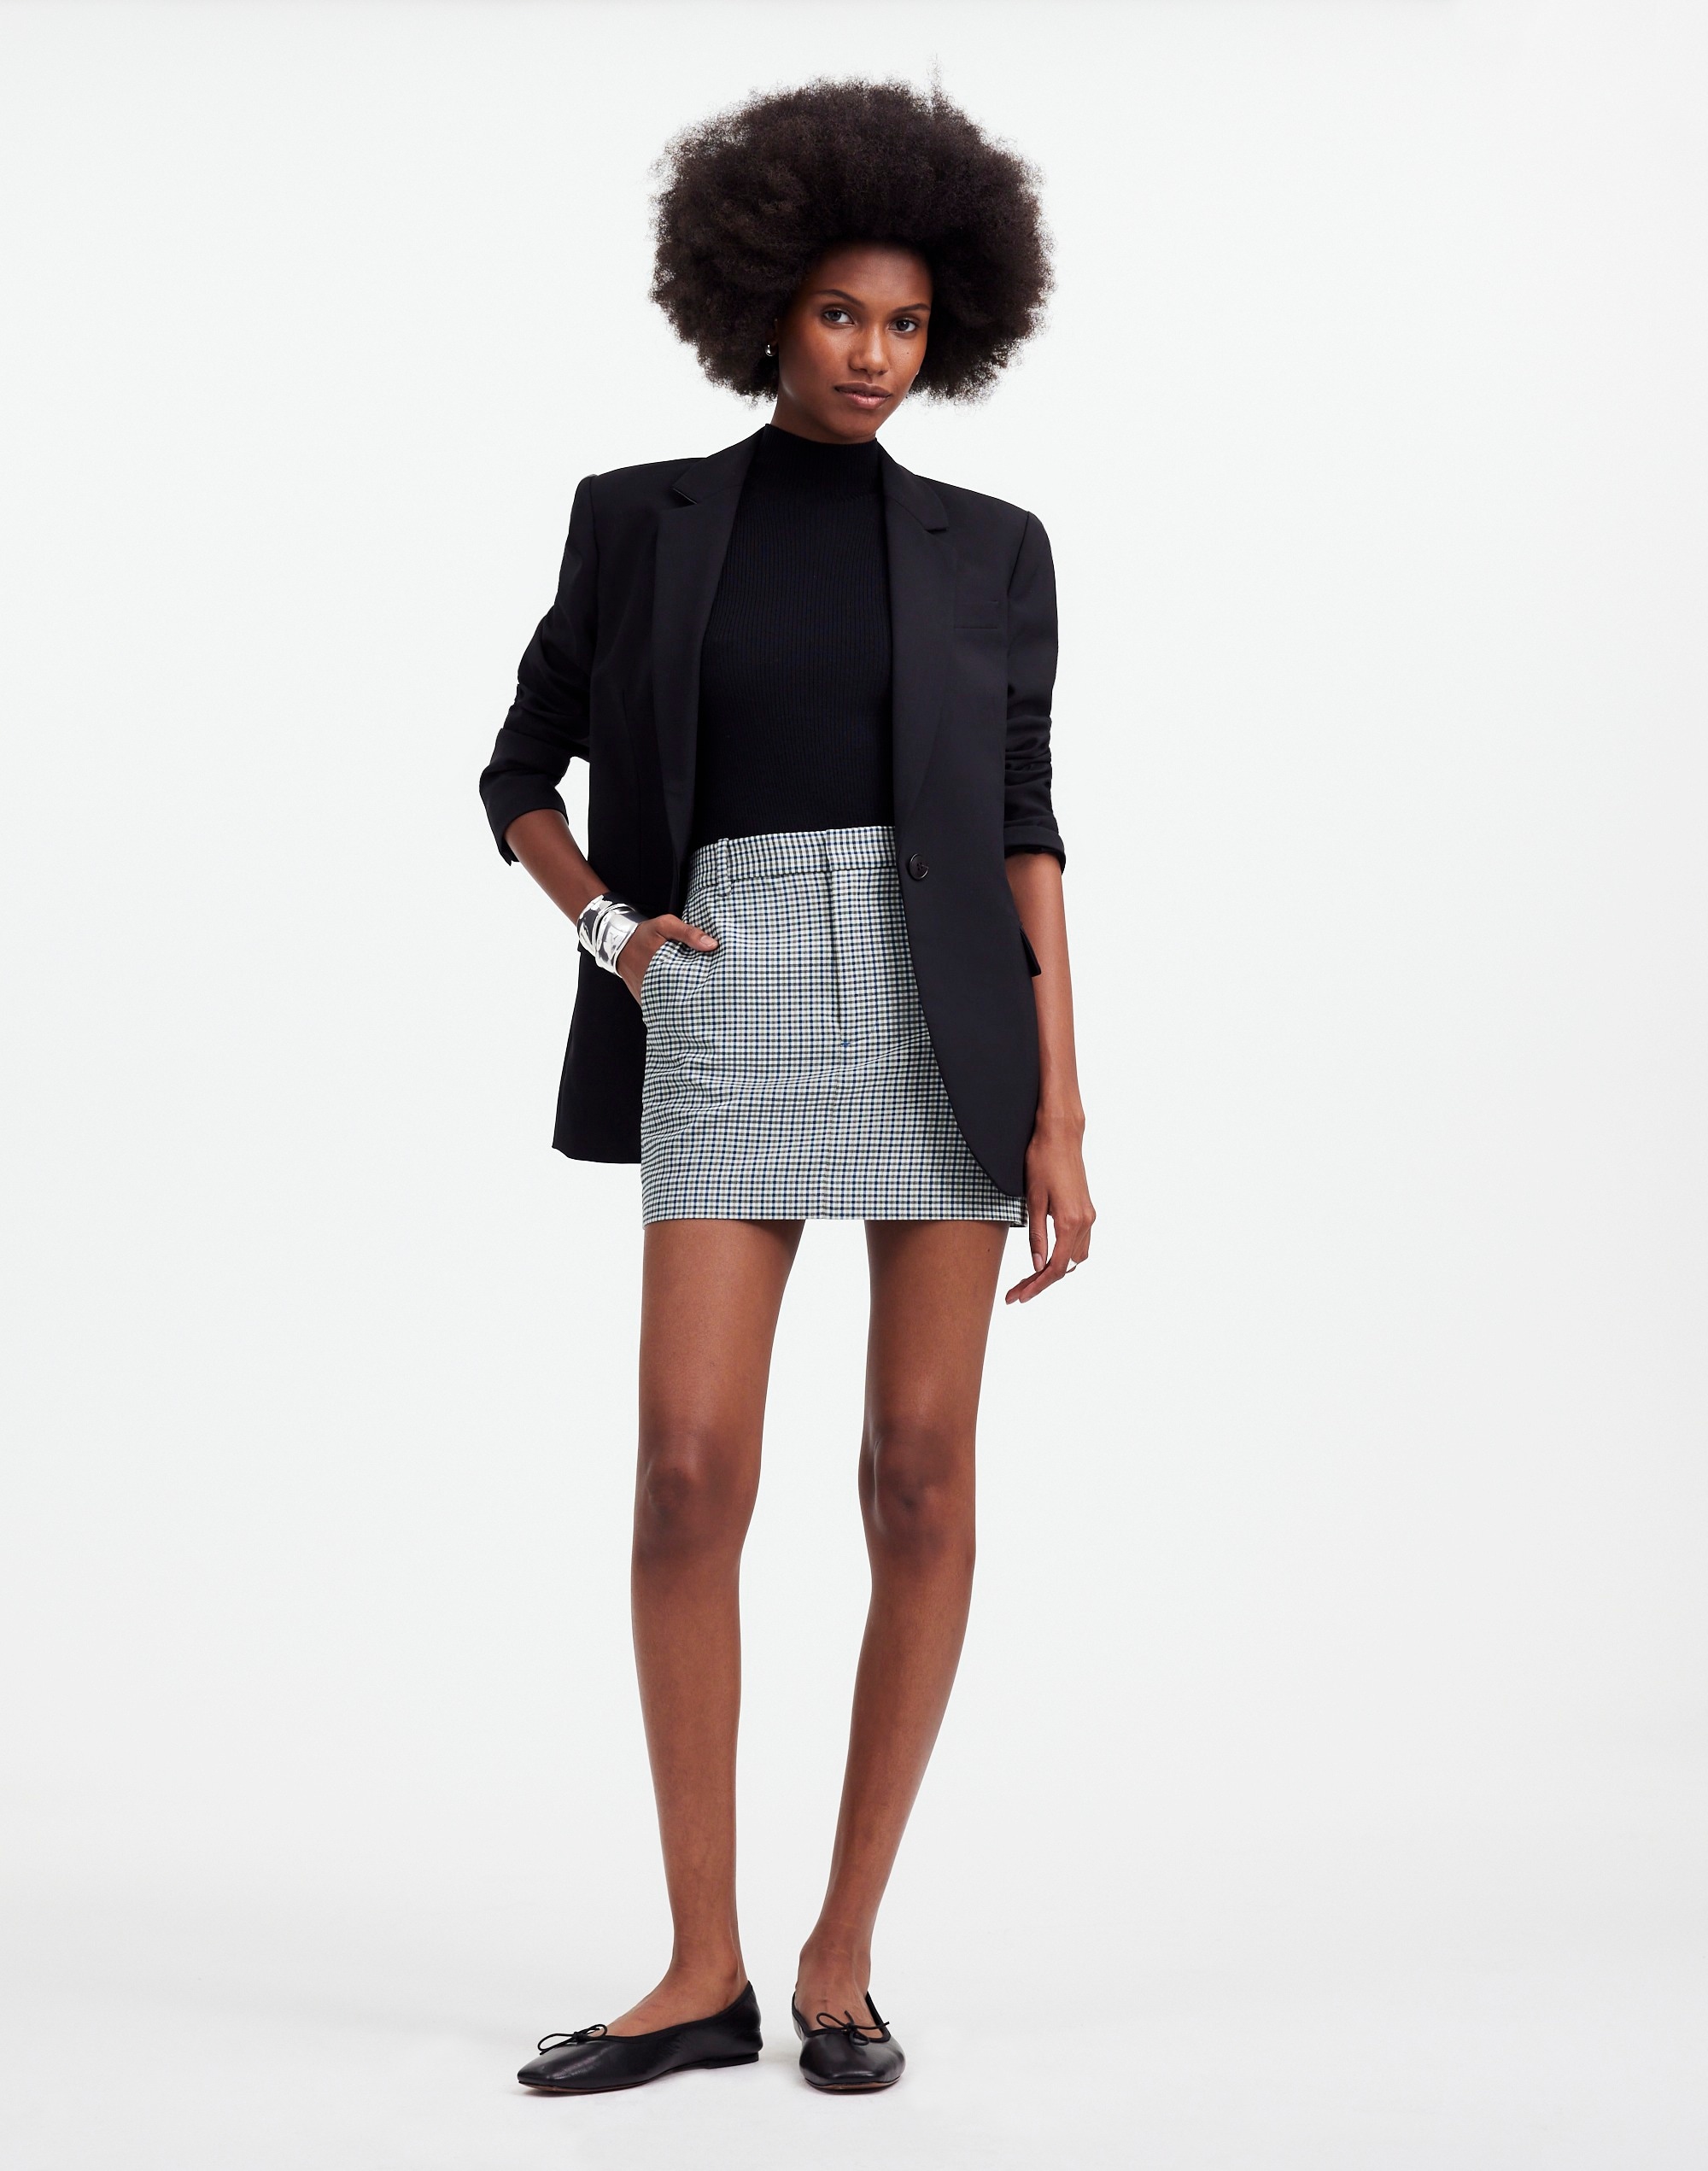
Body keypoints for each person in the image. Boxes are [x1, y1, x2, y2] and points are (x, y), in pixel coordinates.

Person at [477, 78, 1094, 2097]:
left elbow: (1023, 828)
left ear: (949, 330)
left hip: (942, 1004)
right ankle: (695, 1966)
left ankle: (839, 1955)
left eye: (905, 323)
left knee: (918, 1475)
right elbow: (518, 774)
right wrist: (616, 933)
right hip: (727, 988)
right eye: (840, 313)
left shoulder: (993, 547)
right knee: (686, 1469)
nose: (873, 354)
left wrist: (1061, 1111)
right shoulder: (638, 518)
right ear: (763, 306)